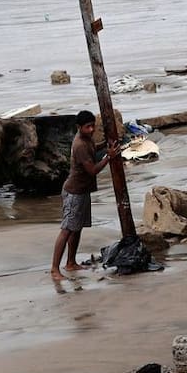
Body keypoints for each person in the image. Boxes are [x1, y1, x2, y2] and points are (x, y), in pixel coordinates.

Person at [51, 110, 119, 280]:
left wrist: (105, 144)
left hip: (82, 191)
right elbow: (92, 170)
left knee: (77, 228)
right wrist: (108, 157)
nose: (91, 129)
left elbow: (93, 148)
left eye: (92, 126)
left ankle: (71, 263)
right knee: (67, 229)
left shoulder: (86, 139)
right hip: (74, 192)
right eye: (87, 127)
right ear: (79, 127)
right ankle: (54, 269)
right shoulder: (79, 144)